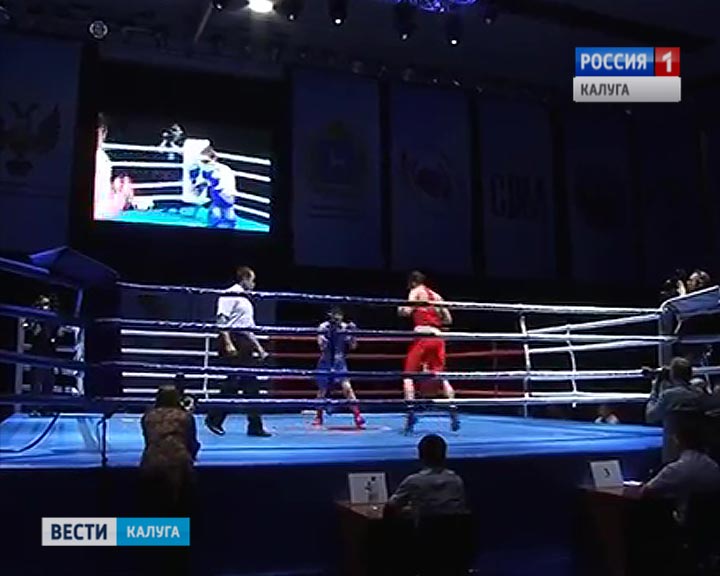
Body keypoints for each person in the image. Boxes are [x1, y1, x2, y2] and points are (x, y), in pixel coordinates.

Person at [205, 266, 271, 437]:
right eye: (252, 280)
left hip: (244, 342)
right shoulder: (230, 294)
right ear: (245, 279)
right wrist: (228, 343)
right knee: (235, 383)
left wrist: (259, 348)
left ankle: (253, 425)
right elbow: (222, 319)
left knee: (249, 385)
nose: (254, 284)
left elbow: (247, 327)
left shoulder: (245, 300)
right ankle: (215, 418)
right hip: (233, 340)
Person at [398, 271, 458, 434]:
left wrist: (401, 309)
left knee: (408, 376)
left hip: (422, 335)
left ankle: (410, 412)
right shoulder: (437, 296)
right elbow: (448, 319)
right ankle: (453, 408)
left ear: (412, 282)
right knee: (441, 377)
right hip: (438, 337)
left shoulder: (416, 291)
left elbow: (407, 311)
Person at [642, 413, 720, 525]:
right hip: (712, 524)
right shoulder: (714, 466)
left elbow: (646, 492)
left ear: (679, 441)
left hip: (683, 522)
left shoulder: (676, 469)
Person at [140, 385, 200, 516]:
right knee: (181, 505)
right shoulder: (184, 417)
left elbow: (148, 440)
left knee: (151, 505)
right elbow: (191, 442)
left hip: (152, 461)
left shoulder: (148, 417)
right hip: (178, 462)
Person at [385, 434, 466, 518]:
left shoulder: (414, 481)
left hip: (423, 526)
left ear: (420, 455)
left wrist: (409, 510)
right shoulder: (456, 480)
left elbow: (390, 507)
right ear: (444, 455)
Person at [646, 358, 710, 462]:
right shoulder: (699, 393)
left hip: (673, 452)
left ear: (672, 375)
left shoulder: (668, 395)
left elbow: (650, 417)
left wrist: (655, 389)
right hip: (700, 451)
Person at [313, 307, 365, 429]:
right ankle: (318, 416)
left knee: (347, 388)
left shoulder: (345, 327)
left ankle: (357, 415)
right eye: (334, 316)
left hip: (339, 361)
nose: (336, 318)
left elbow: (353, 346)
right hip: (326, 360)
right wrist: (329, 335)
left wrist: (353, 334)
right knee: (322, 390)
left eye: (338, 316)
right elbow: (321, 346)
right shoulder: (323, 327)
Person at [93, 113, 134, 220]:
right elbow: (99, 213)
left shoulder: (102, 157)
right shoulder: (100, 159)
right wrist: (122, 197)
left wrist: (116, 193)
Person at [188, 145, 238, 229]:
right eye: (201, 161)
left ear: (214, 159)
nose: (202, 164)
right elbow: (207, 181)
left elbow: (227, 187)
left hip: (225, 195)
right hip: (216, 196)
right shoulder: (206, 170)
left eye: (205, 161)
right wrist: (199, 187)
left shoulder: (222, 170)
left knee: (228, 217)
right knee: (216, 216)